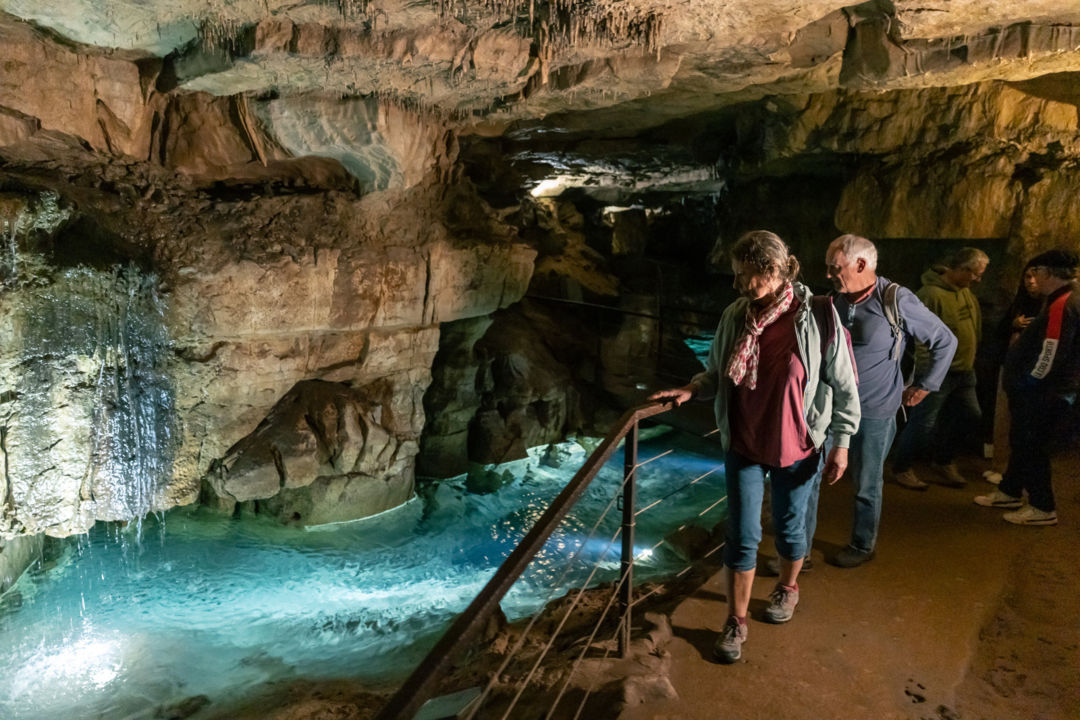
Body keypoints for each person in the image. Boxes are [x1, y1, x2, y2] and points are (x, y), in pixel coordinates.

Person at [649, 230, 860, 663]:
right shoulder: (735, 315)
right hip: (744, 442)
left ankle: (787, 587)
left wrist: (841, 442)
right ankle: (735, 621)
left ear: (772, 272)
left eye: (745, 275)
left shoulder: (817, 316)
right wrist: (692, 389)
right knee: (742, 537)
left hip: (797, 445)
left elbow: (844, 385)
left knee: (788, 527)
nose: (737, 284)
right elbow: (717, 374)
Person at [810, 234, 956, 569]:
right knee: (809, 474)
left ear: (861, 264)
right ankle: (798, 549)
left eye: (836, 267)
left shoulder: (895, 299)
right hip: (831, 408)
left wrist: (926, 385)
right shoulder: (836, 300)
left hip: (875, 410)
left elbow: (945, 341)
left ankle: (863, 544)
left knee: (866, 481)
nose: (830, 274)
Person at [975, 249, 1080, 525]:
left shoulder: (1063, 304)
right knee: (1022, 442)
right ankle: (1010, 490)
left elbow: (1051, 350)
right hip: (1051, 390)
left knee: (1032, 446)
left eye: (1036, 273)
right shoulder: (1064, 298)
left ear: (1047, 273)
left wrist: (1028, 382)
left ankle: (1042, 506)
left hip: (1045, 392)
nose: (1032, 278)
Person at [891, 248, 990, 489]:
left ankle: (943, 460)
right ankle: (901, 467)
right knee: (922, 424)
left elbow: (973, 327)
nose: (977, 279)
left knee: (970, 416)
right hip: (939, 374)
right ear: (962, 269)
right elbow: (919, 337)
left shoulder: (966, 294)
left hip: (964, 372)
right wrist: (926, 375)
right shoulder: (929, 294)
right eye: (975, 274)